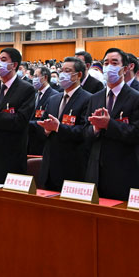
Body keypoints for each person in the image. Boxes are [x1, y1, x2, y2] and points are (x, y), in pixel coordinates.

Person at [84, 48, 139, 200]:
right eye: (106, 63)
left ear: (124, 69)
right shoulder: (94, 98)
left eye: (114, 63)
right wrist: (95, 128)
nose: (109, 67)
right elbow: (85, 131)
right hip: (96, 170)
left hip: (123, 170)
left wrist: (109, 125)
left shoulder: (137, 98)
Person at [0, 48, 36, 184]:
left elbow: (20, 122)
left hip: (11, 155)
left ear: (14, 65)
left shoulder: (26, 89)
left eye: (3, 60)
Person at [36, 57, 93, 190]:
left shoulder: (89, 99)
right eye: (61, 70)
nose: (62, 74)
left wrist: (58, 127)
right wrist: (46, 130)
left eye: (67, 71)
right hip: (50, 164)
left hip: (72, 165)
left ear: (79, 75)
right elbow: (42, 125)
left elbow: (85, 131)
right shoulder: (53, 99)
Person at [28, 65, 61, 156]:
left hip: (44, 139)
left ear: (45, 77)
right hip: (32, 138)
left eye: (36, 76)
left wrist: (26, 123)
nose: (34, 79)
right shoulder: (35, 94)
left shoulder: (54, 96)